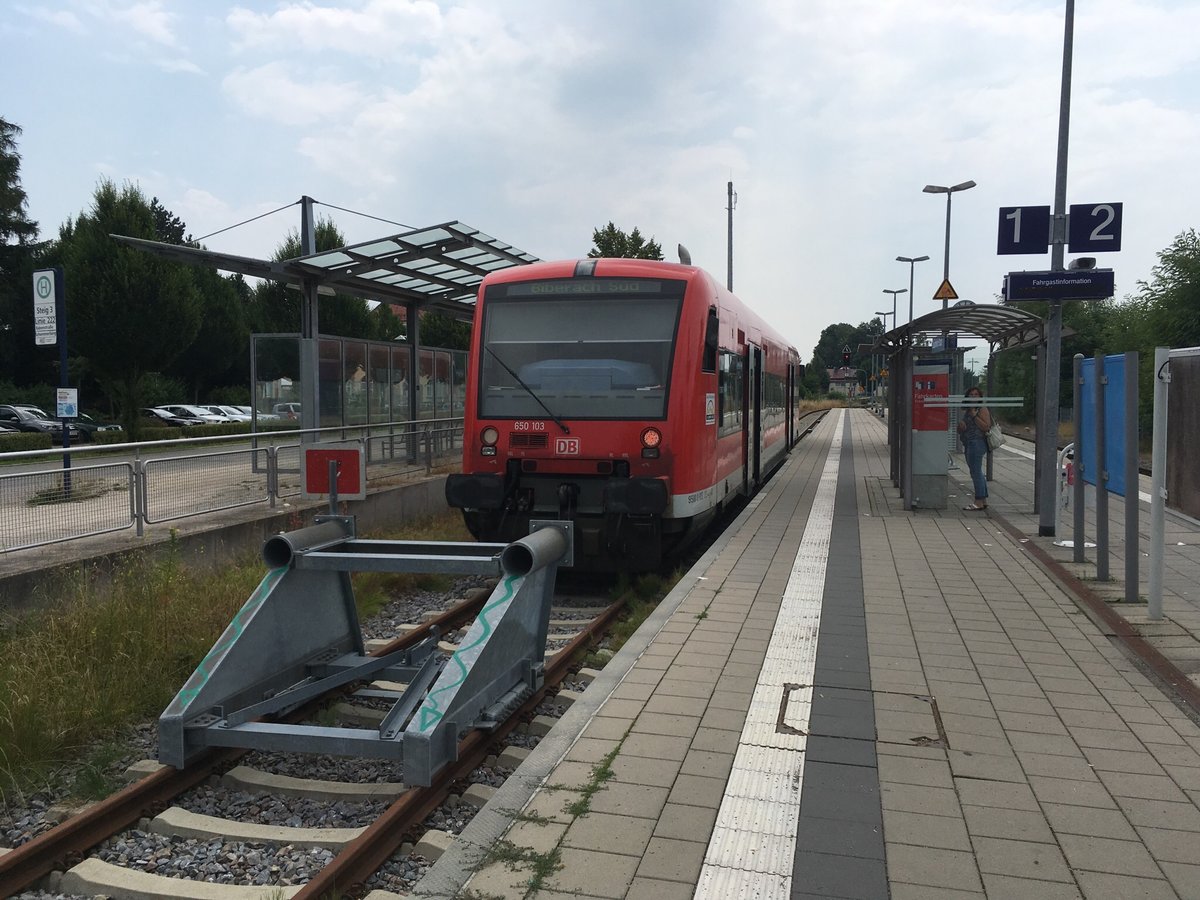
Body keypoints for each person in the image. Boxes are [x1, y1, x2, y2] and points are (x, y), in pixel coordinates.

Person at [957, 386, 992, 511]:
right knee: (976, 471)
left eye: (976, 394)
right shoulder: (967, 410)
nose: (973, 396)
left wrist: (974, 416)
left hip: (977, 443)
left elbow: (986, 427)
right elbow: (962, 428)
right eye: (971, 394)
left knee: (975, 472)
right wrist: (961, 426)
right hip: (968, 442)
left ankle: (978, 501)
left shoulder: (981, 409)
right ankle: (983, 500)